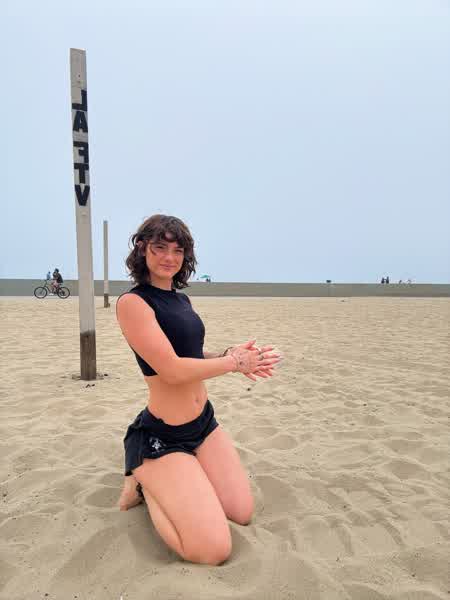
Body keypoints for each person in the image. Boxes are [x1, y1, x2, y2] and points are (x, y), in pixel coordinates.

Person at [115, 214, 282, 565]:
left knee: (240, 512)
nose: (169, 257)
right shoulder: (133, 303)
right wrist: (233, 364)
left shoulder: (181, 301)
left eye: (178, 250)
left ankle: (175, 480)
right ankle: (145, 480)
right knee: (211, 550)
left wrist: (226, 355)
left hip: (203, 424)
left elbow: (189, 355)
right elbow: (172, 370)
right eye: (160, 247)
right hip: (165, 435)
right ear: (142, 249)